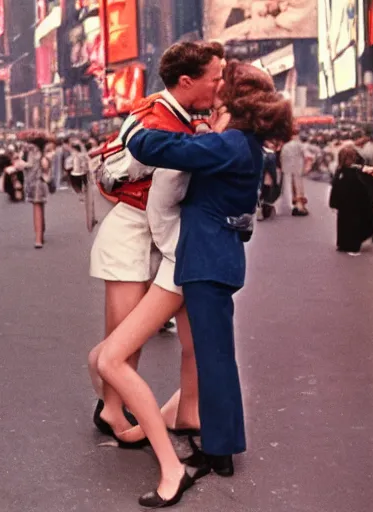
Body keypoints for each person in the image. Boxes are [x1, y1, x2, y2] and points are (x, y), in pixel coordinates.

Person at [121, 62, 296, 506]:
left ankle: (219, 452)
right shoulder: (243, 142)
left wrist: (137, 129)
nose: (215, 87)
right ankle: (220, 445)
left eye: (223, 83)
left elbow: (166, 149)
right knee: (215, 357)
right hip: (215, 257)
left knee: (215, 360)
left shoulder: (232, 143)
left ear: (235, 97)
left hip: (206, 260)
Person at [87, 41, 223, 450]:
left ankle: (131, 404)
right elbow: (114, 172)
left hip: (156, 235)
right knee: (125, 338)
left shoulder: (177, 115)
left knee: (133, 337)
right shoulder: (154, 119)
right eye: (215, 79)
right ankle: (112, 408)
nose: (219, 86)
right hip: (132, 232)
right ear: (187, 81)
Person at [329, 146, 373, 255]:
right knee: (354, 226)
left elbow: (335, 187)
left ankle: (342, 244)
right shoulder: (356, 172)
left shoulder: (340, 171)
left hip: (343, 206)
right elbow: (364, 189)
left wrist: (333, 203)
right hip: (356, 206)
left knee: (342, 224)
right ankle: (352, 247)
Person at [18, 131, 52, 248]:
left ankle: (38, 239)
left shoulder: (31, 150)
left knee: (36, 209)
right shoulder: (42, 151)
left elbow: (29, 165)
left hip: (34, 182)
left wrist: (21, 162)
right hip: (42, 181)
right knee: (40, 207)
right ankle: (41, 233)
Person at [281, 130, 309, 215]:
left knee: (292, 186)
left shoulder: (285, 146)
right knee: (299, 187)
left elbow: (282, 157)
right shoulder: (299, 144)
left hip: (288, 169)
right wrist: (307, 167)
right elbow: (307, 155)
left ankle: (295, 204)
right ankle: (299, 206)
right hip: (298, 167)